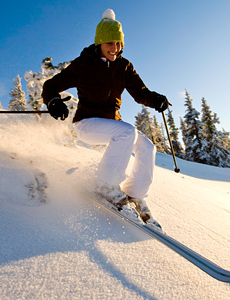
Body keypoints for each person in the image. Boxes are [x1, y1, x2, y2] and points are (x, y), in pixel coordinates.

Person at [42, 9, 170, 229]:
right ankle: (105, 187)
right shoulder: (83, 64)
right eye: (110, 43)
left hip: (113, 124)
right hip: (87, 123)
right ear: (100, 42)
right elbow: (51, 86)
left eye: (119, 43)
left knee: (147, 147)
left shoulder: (123, 66)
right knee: (127, 132)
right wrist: (53, 101)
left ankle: (136, 193)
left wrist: (155, 99)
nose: (115, 48)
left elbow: (140, 92)